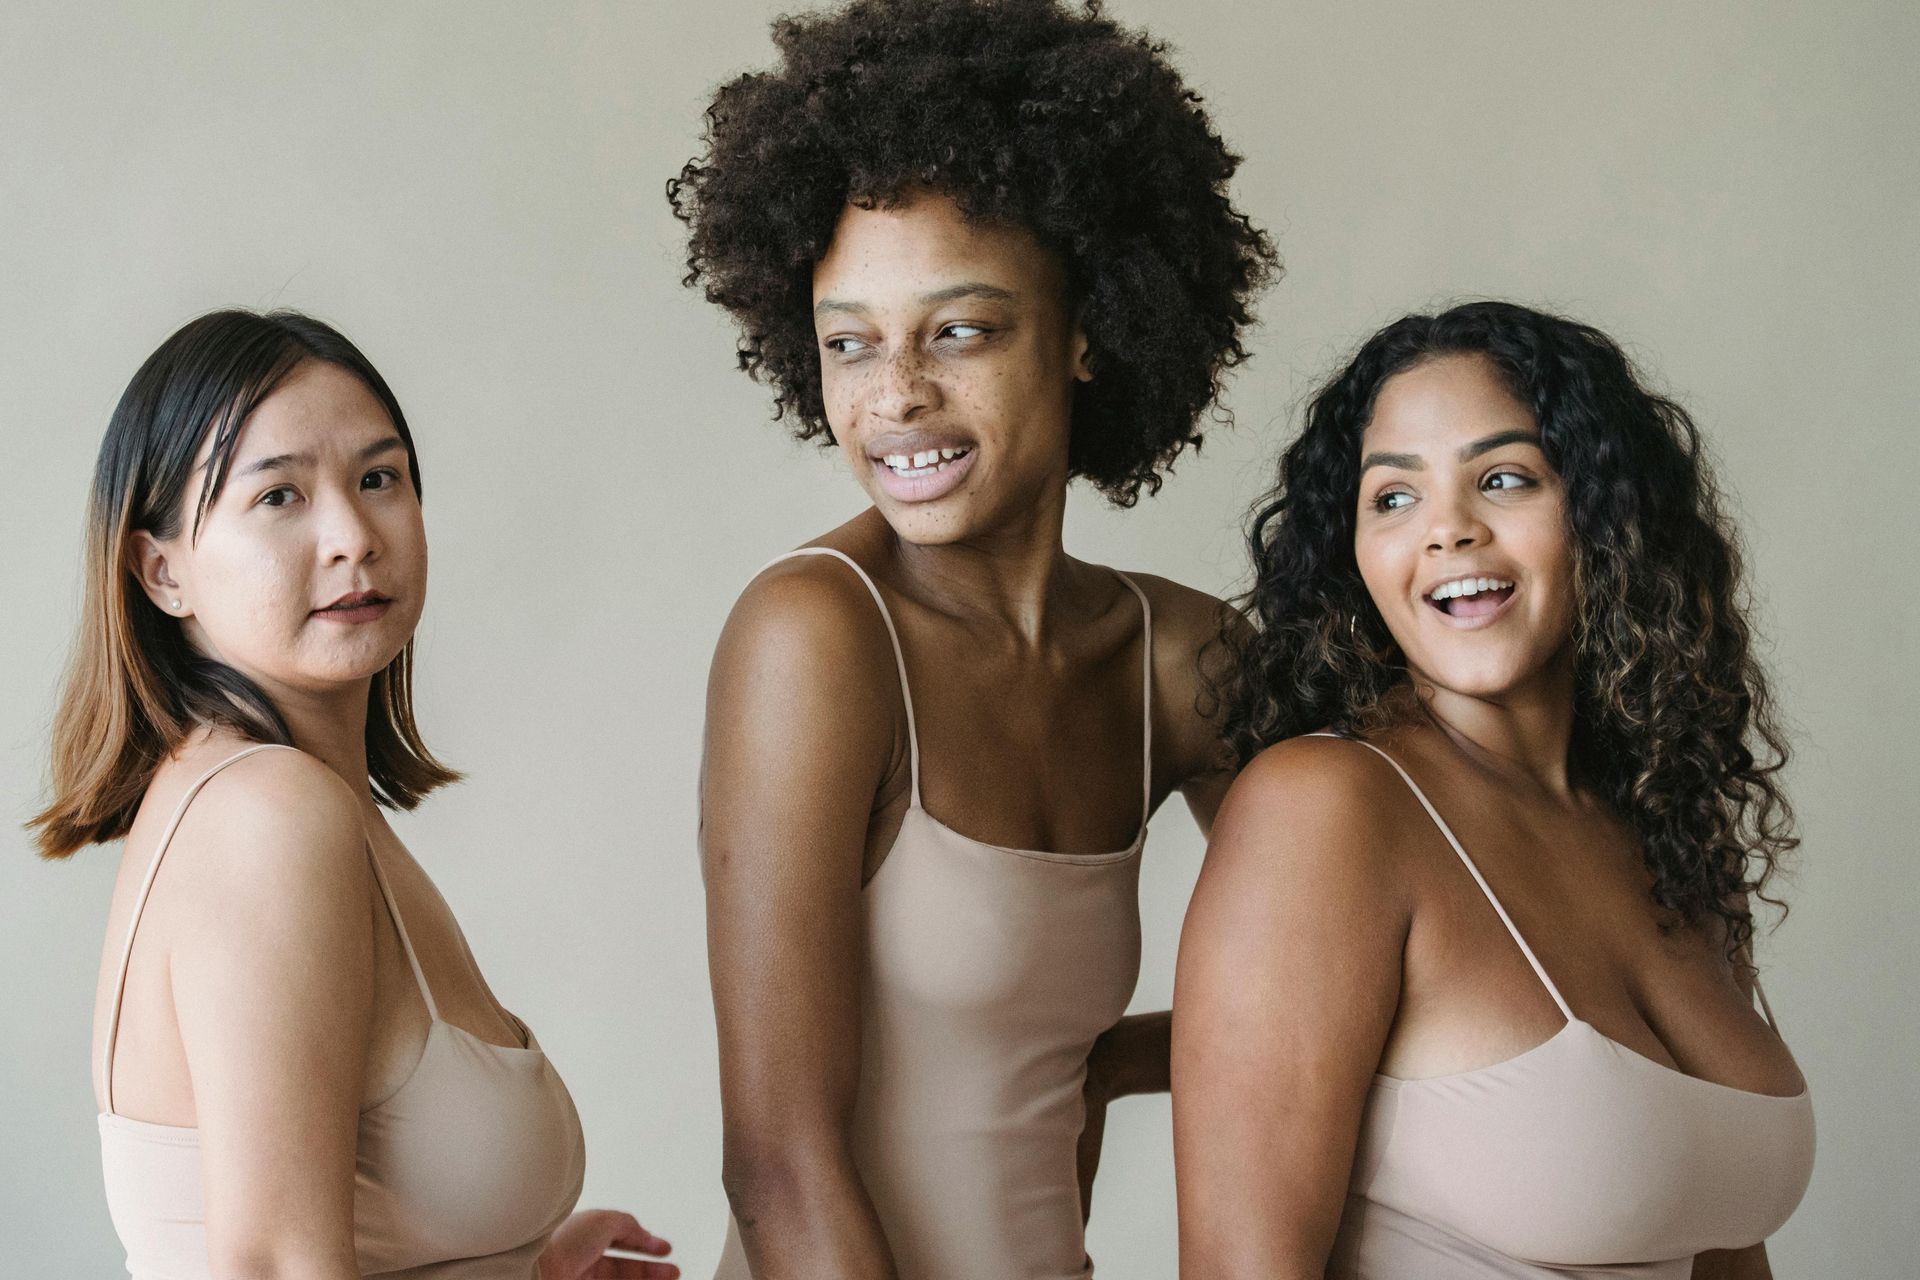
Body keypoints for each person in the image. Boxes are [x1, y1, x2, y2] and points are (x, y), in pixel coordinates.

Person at [670, 1, 1276, 1275]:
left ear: (1089, 332)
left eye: (961, 329)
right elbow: (779, 1160)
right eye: (850, 342)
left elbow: (1381, 945)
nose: (894, 394)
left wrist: (1115, 1062)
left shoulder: (1173, 660)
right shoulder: (819, 636)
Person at [1172, 301, 1814, 1279]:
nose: (1448, 532)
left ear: (1604, 516)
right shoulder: (1326, 806)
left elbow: (1720, 1247)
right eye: (1392, 498)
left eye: (1503, 478)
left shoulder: (1667, 825)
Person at [32, 310, 677, 1280]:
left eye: (378, 478)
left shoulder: (294, 799)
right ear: (162, 569)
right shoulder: (267, 816)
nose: (352, 536)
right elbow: (274, 1266)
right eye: (281, 494)